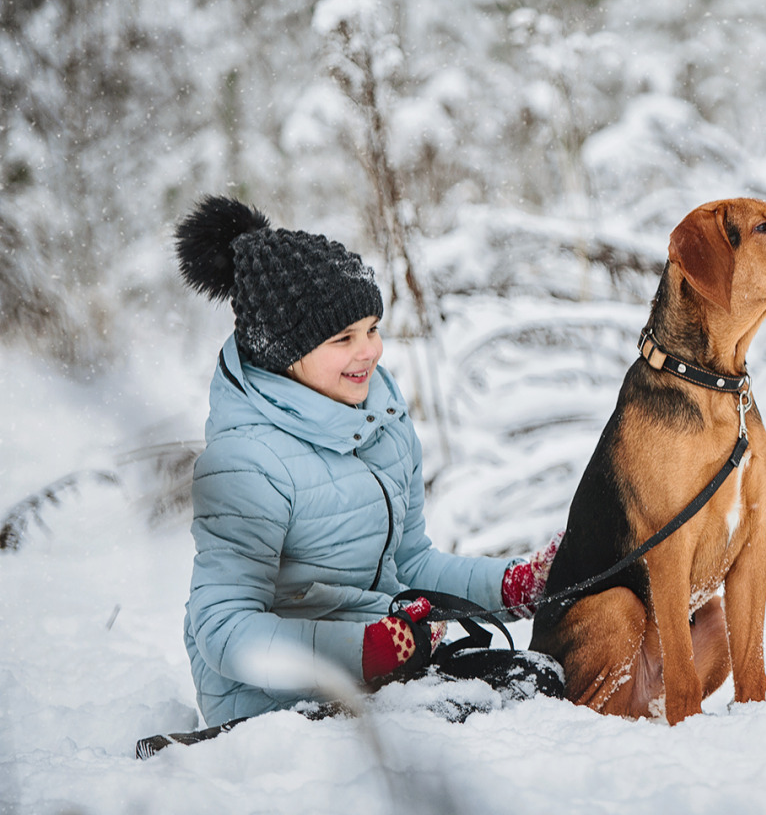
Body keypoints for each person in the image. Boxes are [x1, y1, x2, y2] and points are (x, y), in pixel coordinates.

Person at [137, 196, 563, 758]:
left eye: (372, 328)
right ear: (283, 352)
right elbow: (224, 630)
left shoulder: (379, 419)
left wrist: (512, 586)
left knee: (536, 680)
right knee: (479, 723)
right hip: (269, 708)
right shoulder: (247, 461)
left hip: (380, 668)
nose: (369, 351)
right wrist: (361, 650)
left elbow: (410, 564)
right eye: (343, 339)